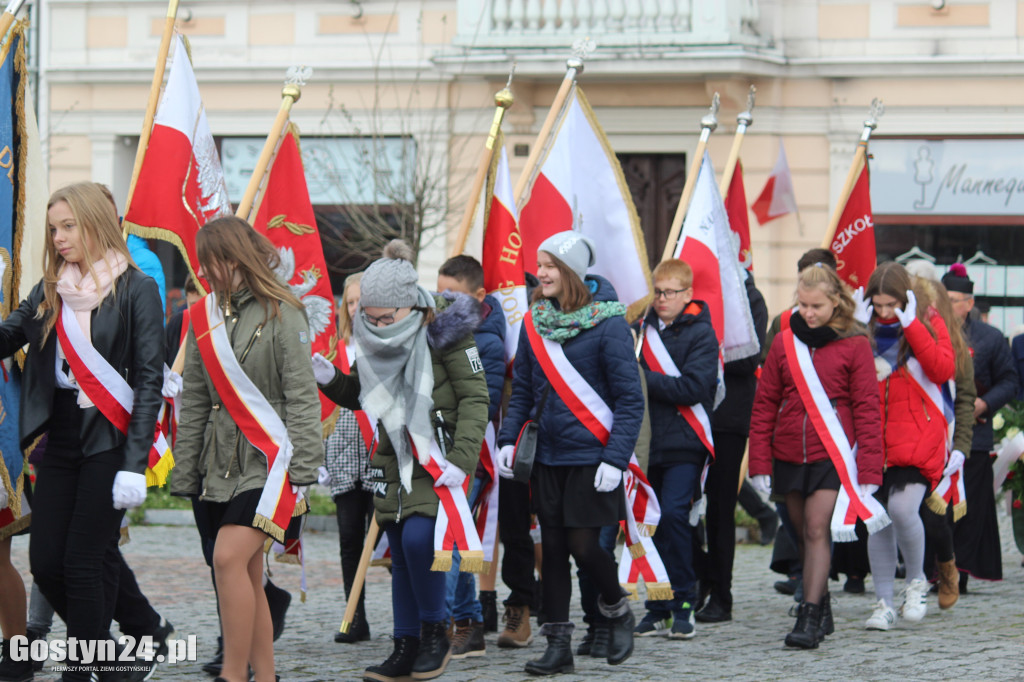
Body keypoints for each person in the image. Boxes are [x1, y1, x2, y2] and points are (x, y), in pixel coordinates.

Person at [0, 182, 164, 681]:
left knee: (84, 561)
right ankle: (111, 659)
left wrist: (135, 464)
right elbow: (11, 334)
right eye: (54, 229)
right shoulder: (51, 289)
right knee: (47, 562)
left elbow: (149, 381)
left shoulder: (137, 288)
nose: (58, 238)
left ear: (95, 223)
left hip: (111, 439)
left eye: (68, 226)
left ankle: (83, 667)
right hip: (62, 437)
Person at [316, 240, 489, 682]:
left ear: (410, 307)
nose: (375, 325)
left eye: (384, 318)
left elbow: (475, 397)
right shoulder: (373, 334)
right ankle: (405, 643)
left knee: (419, 541)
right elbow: (360, 394)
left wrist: (462, 459)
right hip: (393, 457)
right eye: (368, 318)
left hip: (438, 457)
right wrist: (330, 379)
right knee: (400, 550)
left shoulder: (448, 332)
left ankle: (436, 634)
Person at [171, 216, 323, 682]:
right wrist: (186, 471)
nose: (202, 272)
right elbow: (194, 397)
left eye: (208, 262)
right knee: (248, 574)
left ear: (232, 259)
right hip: (217, 465)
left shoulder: (284, 311)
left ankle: (232, 675)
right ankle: (267, 675)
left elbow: (301, 394)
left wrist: (304, 467)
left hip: (271, 464)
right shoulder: (202, 317)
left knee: (227, 558)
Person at [496, 231, 644, 675]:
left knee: (584, 546)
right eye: (540, 265)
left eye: (551, 266)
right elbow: (521, 390)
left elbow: (629, 400)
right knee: (554, 550)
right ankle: (557, 644)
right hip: (548, 457)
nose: (540, 273)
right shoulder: (534, 324)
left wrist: (616, 460)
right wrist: (507, 438)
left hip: (593, 458)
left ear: (572, 272)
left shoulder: (610, 325)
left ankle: (617, 609)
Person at [749, 263, 883, 649]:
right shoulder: (783, 342)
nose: (808, 312)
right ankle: (821, 604)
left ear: (836, 302)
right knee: (801, 536)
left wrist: (870, 467)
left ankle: (807, 616)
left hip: (834, 453)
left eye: (816, 306)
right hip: (789, 451)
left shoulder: (856, 344)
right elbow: (764, 404)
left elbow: (867, 408)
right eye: (803, 304)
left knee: (815, 528)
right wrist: (758, 461)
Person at [857, 263, 955, 630]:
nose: (884, 313)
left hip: (916, 440)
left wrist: (912, 325)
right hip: (871, 440)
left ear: (906, 298)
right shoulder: (861, 328)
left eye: (891, 304)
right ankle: (882, 602)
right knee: (878, 522)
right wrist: (852, 328)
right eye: (877, 305)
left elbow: (942, 369)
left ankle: (916, 582)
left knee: (901, 508)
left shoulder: (927, 322)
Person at [632, 259, 718, 639]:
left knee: (671, 518)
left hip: (685, 442)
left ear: (688, 295)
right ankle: (657, 604)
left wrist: (642, 379)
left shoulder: (701, 334)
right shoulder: (640, 329)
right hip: (648, 442)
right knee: (646, 524)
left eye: (669, 293)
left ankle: (684, 599)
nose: (661, 299)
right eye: (658, 292)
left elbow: (695, 389)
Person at [436, 255, 506, 659]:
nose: (444, 303)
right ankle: (469, 621)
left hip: (466, 452)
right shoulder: (435, 330)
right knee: (453, 538)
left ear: (479, 296)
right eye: (440, 293)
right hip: (435, 449)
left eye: (454, 296)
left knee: (450, 541)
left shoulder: (488, 342)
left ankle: (442, 624)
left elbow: (484, 401)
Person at [695, 268, 768, 623]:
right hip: (688, 414)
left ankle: (721, 595)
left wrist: (702, 355)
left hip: (728, 418)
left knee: (720, 510)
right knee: (676, 507)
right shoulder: (693, 294)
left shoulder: (749, 298)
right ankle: (699, 575)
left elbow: (749, 358)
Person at [942, 263, 1019, 590]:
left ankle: (959, 570)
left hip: (974, 433)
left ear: (970, 303)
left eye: (955, 299)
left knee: (967, 506)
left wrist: (984, 404)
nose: (949, 306)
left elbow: (1010, 380)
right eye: (942, 299)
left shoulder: (990, 338)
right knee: (936, 506)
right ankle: (936, 567)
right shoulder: (928, 331)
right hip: (935, 436)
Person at [323, 272, 377, 645]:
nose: (355, 308)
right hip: (343, 453)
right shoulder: (334, 347)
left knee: (393, 541)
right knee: (349, 538)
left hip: (380, 454)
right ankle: (354, 616)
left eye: (362, 301)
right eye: (351, 302)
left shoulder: (385, 345)